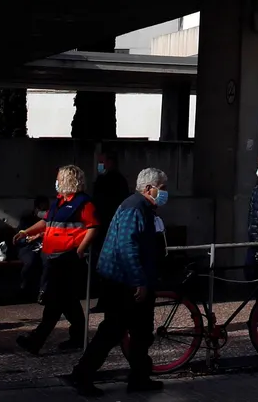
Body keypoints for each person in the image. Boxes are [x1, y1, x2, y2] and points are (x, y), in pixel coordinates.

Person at [69, 168, 169, 396]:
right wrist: (139, 282)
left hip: (129, 279)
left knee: (141, 332)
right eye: (162, 189)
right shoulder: (134, 208)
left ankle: (140, 378)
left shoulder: (142, 207)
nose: (164, 193)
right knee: (112, 331)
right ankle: (82, 374)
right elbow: (127, 247)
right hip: (122, 282)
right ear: (148, 188)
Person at [16, 166, 98, 355]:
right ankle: (78, 337)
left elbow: (93, 227)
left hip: (67, 258)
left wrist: (81, 249)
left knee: (55, 302)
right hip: (52, 258)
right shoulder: (59, 202)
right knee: (67, 302)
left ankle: (36, 341)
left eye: (59, 179)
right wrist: (26, 232)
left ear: (69, 180)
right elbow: (46, 222)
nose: (57, 182)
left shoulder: (83, 203)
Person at [16, 194, 51, 296]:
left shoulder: (49, 220)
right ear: (36, 209)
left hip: (44, 246)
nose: (44, 212)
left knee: (48, 261)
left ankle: (43, 290)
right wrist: (29, 238)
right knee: (30, 261)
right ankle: (24, 284)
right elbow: (19, 240)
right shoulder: (26, 220)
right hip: (28, 247)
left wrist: (41, 235)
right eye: (42, 209)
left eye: (46, 209)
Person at [91, 149, 131, 227]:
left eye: (102, 162)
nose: (100, 165)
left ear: (110, 162)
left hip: (110, 218)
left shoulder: (117, 180)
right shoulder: (102, 178)